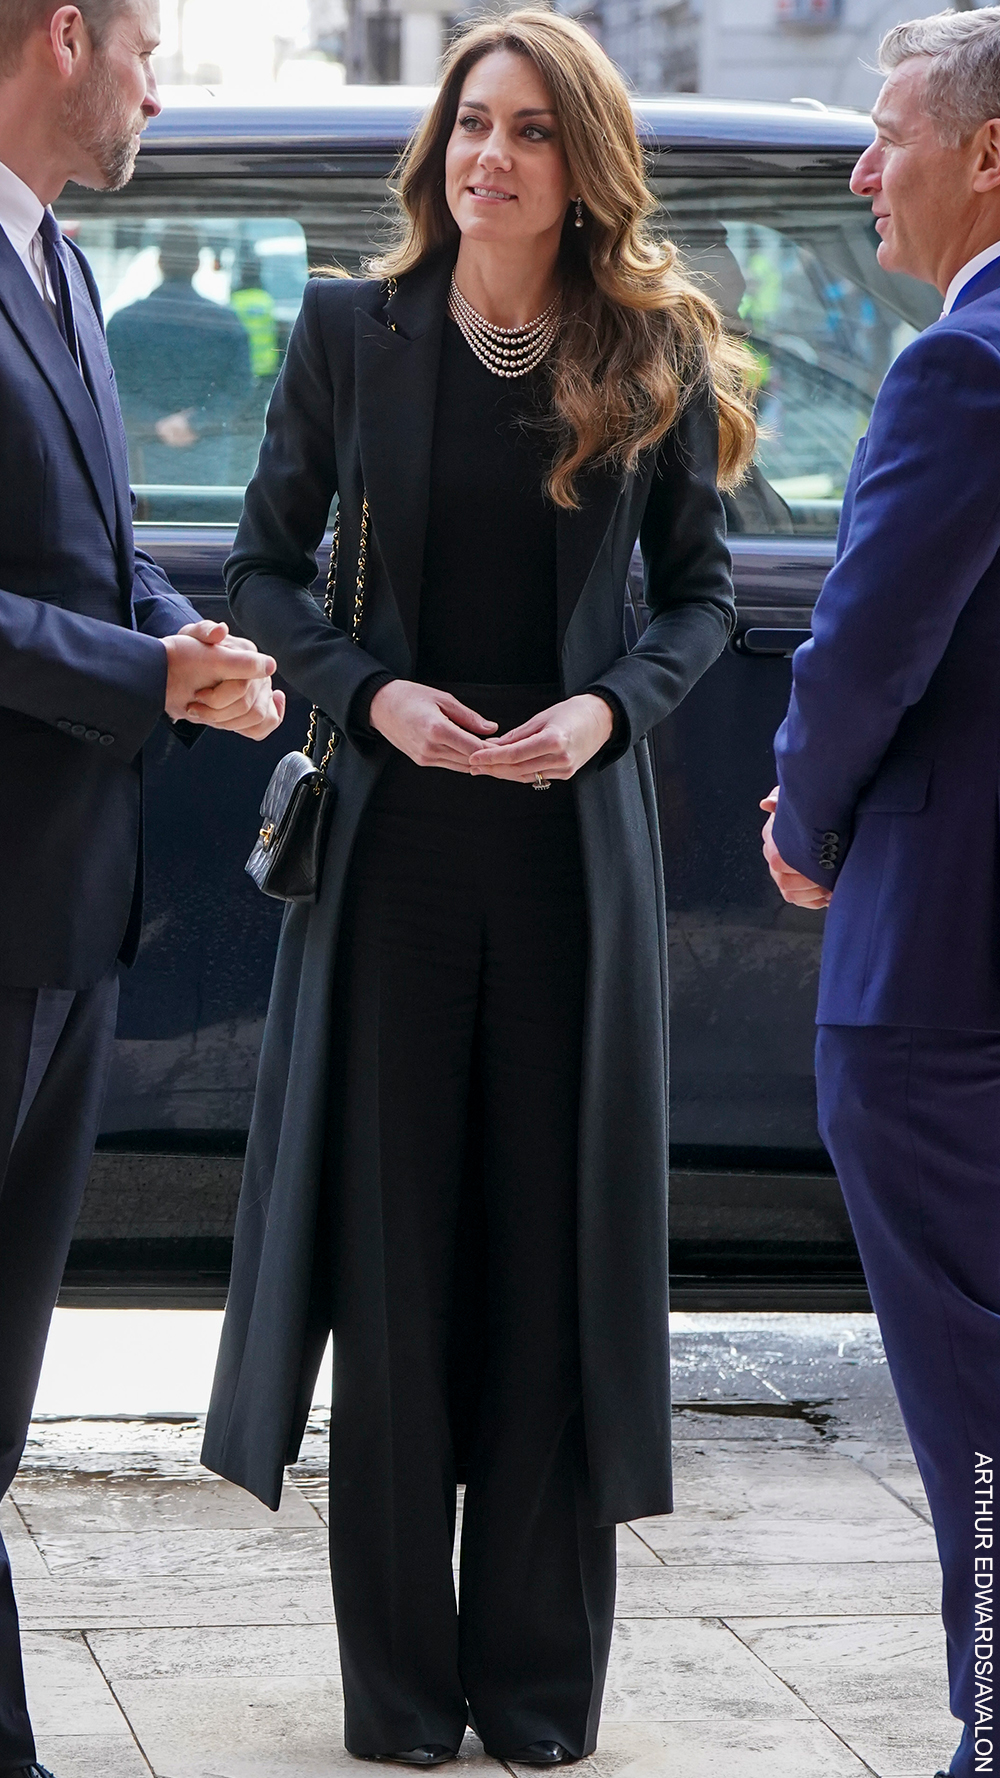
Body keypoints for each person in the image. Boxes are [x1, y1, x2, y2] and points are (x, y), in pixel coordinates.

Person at [203, 9, 755, 1768]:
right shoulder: (351, 335)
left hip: (572, 866)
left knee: (548, 1255)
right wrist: (373, 696)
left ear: (578, 163)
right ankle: (398, 1698)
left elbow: (701, 598)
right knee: (399, 1256)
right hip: (396, 866)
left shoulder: (649, 344)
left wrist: (607, 707)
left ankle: (533, 1693)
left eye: (525, 128)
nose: (487, 155)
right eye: (469, 125)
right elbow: (267, 568)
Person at [0, 4, 285, 1775]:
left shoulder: (59, 268)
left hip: (64, 912)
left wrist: (183, 629)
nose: (159, 92)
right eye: (148, 48)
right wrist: (137, 677)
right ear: (62, 33)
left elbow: (88, 547)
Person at [760, 12, 1000, 1777]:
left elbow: (860, 652)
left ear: (985, 153)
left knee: (976, 1394)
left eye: (885, 133)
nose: (863, 170)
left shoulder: (962, 364)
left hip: (944, 976)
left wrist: (810, 826)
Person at [107, 222, 253, 486]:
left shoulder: (123, 321)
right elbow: (239, 390)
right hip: (207, 456)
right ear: (198, 264)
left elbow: (110, 390)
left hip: (141, 456)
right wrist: (196, 422)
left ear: (159, 262)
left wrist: (156, 423)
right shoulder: (226, 322)